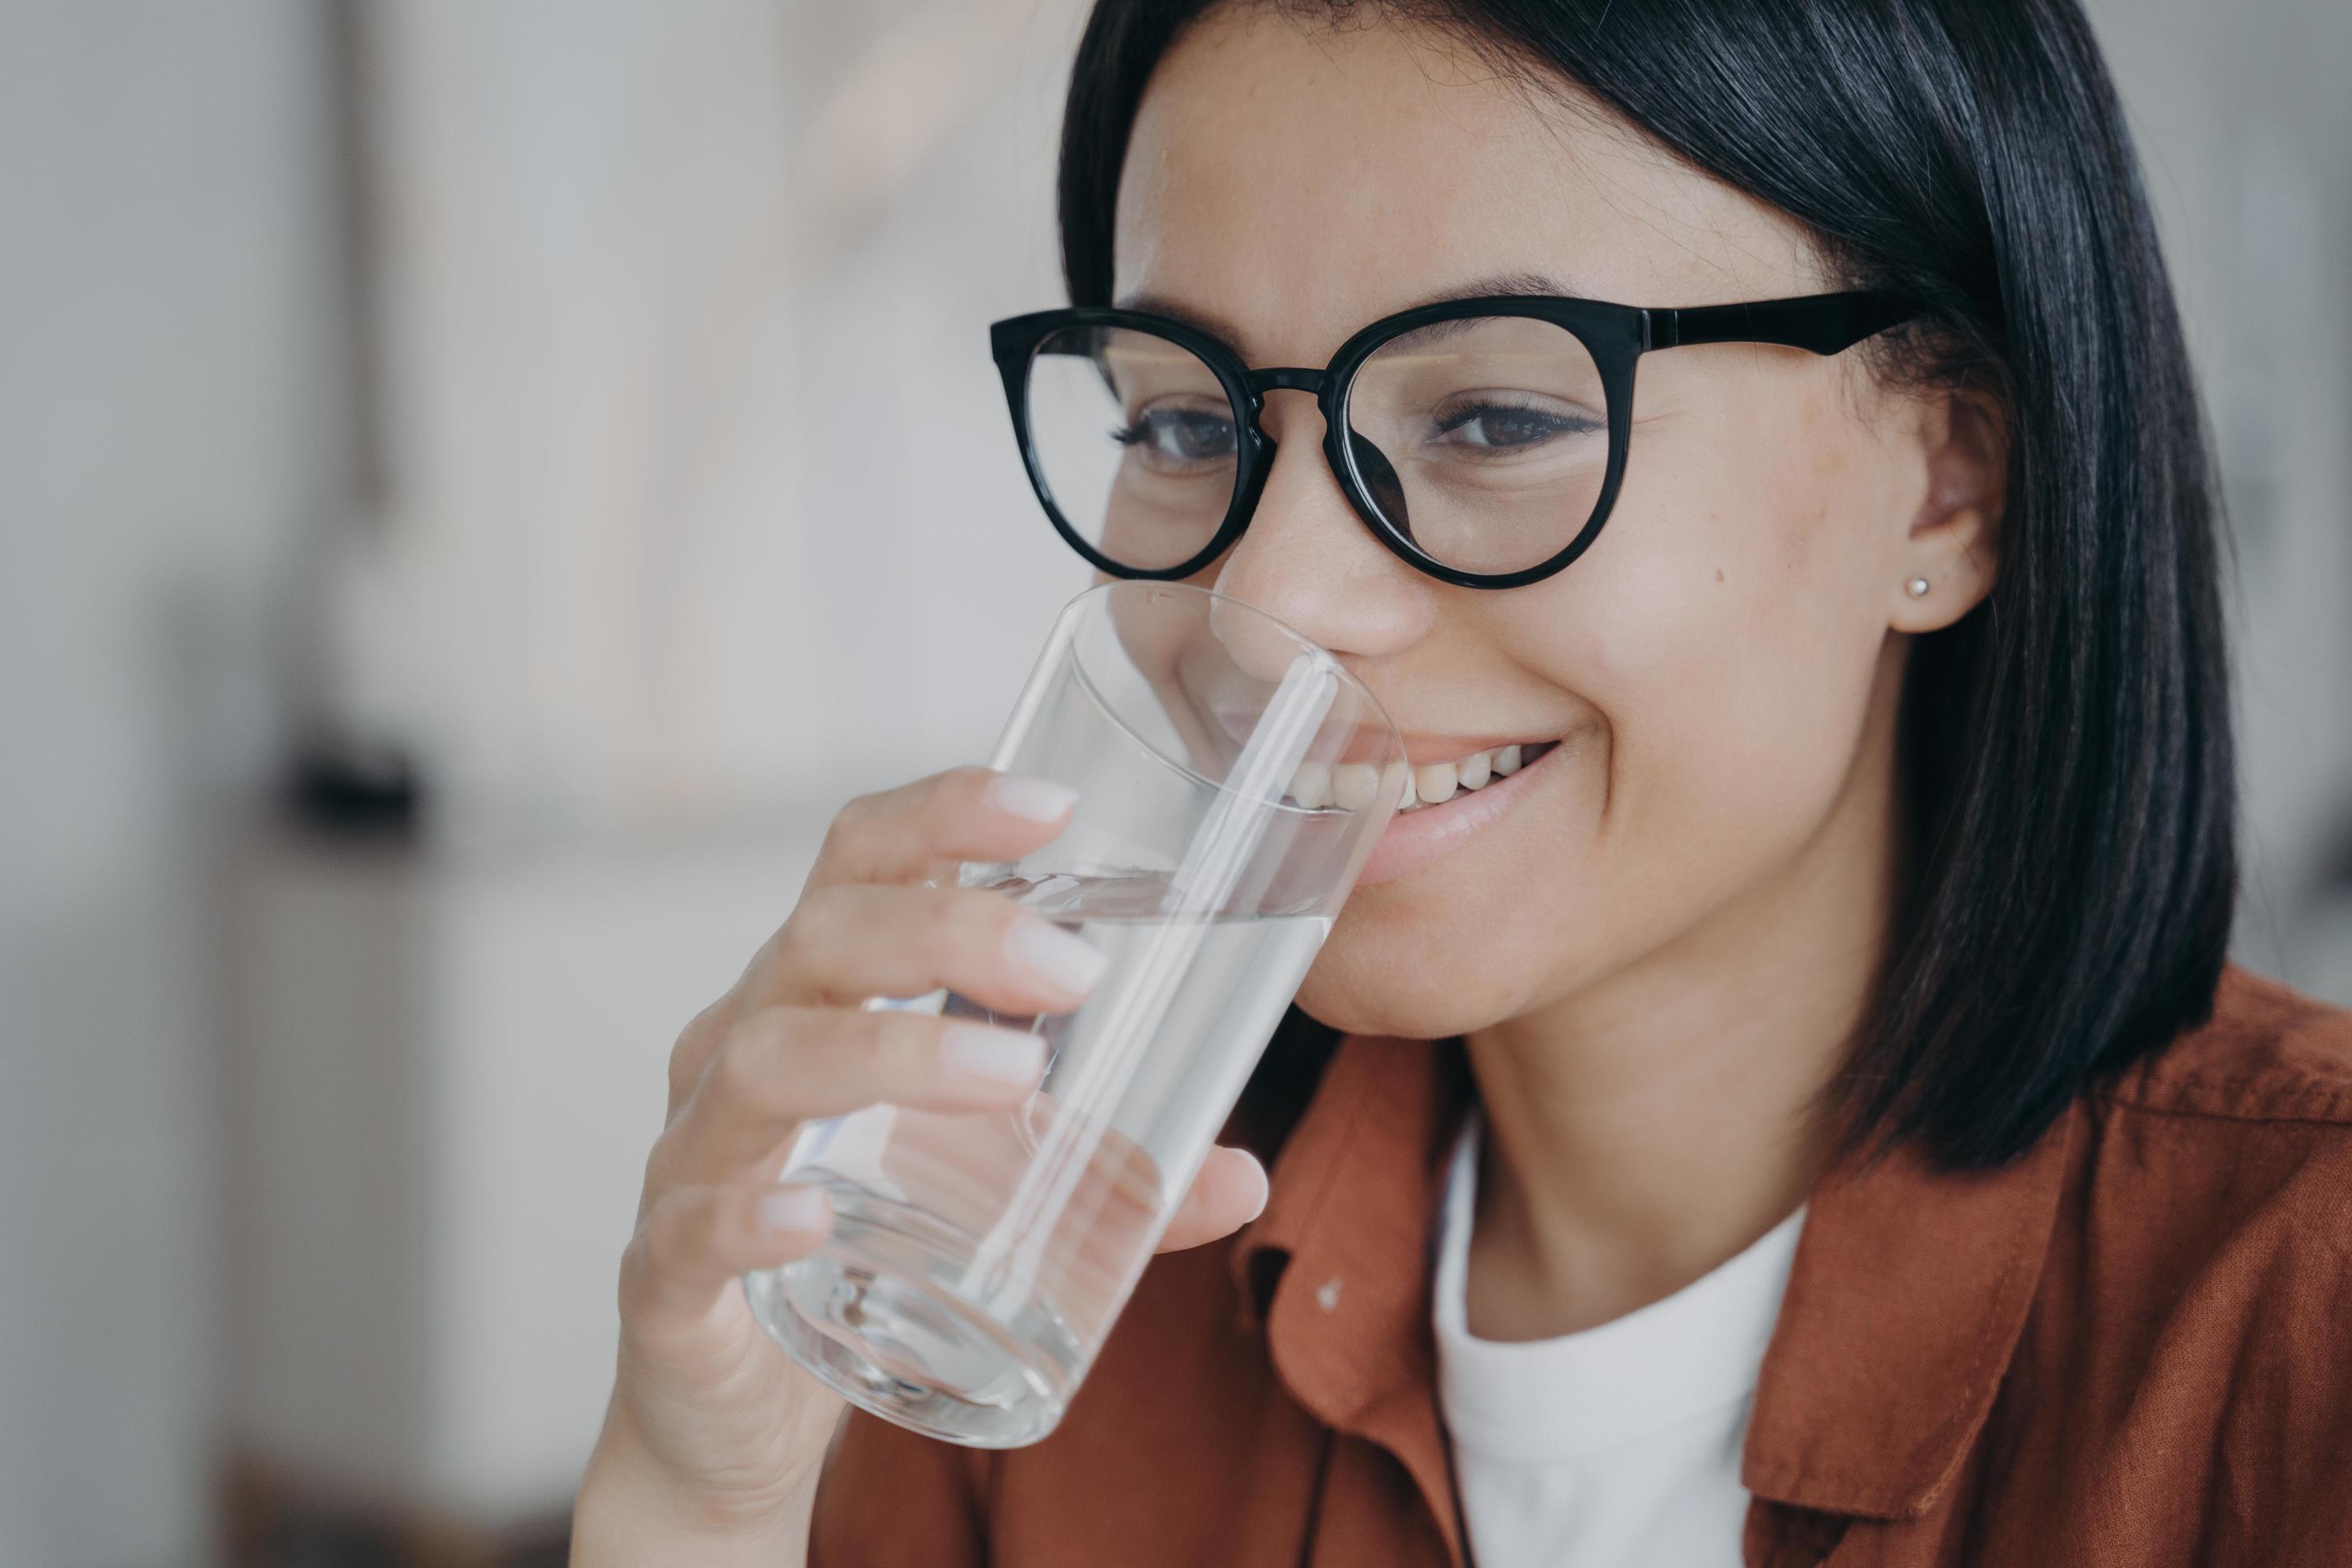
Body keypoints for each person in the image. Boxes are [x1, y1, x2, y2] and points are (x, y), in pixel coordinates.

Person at [571, 2, 2352, 1563]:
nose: (1266, 604)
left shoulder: (2297, 1325)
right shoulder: (1034, 1265)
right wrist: (697, 1501)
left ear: (1948, 485)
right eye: (1185, 423)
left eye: (1495, 418)